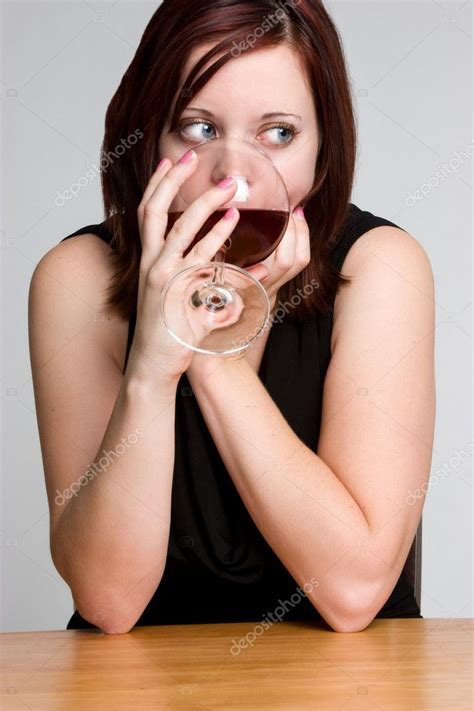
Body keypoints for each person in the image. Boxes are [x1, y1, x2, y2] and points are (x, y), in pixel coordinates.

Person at [28, 0, 435, 634]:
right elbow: (109, 600)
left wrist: (216, 347)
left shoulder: (382, 267)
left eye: (278, 134)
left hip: (351, 688)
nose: (236, 180)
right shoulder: (77, 279)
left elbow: (354, 592)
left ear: (325, 150)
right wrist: (154, 368)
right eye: (199, 128)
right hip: (142, 690)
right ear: (148, 142)